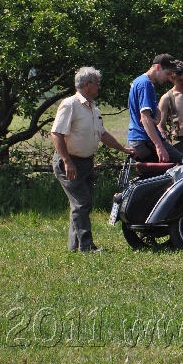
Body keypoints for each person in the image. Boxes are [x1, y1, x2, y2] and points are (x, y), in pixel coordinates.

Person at [51, 67, 135, 253]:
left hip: (86, 163)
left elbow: (102, 134)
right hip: (70, 163)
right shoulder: (70, 104)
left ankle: (76, 246)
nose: (99, 87)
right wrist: (67, 161)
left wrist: (122, 148)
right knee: (82, 203)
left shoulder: (92, 107)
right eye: (97, 84)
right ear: (87, 84)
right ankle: (87, 247)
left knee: (82, 204)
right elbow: (56, 133)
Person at [127, 54, 183, 163]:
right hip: (144, 140)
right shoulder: (145, 84)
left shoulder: (144, 82)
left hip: (139, 140)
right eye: (167, 73)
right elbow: (145, 117)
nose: (168, 78)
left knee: (155, 177)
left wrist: (157, 118)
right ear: (157, 67)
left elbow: (156, 112)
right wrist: (159, 146)